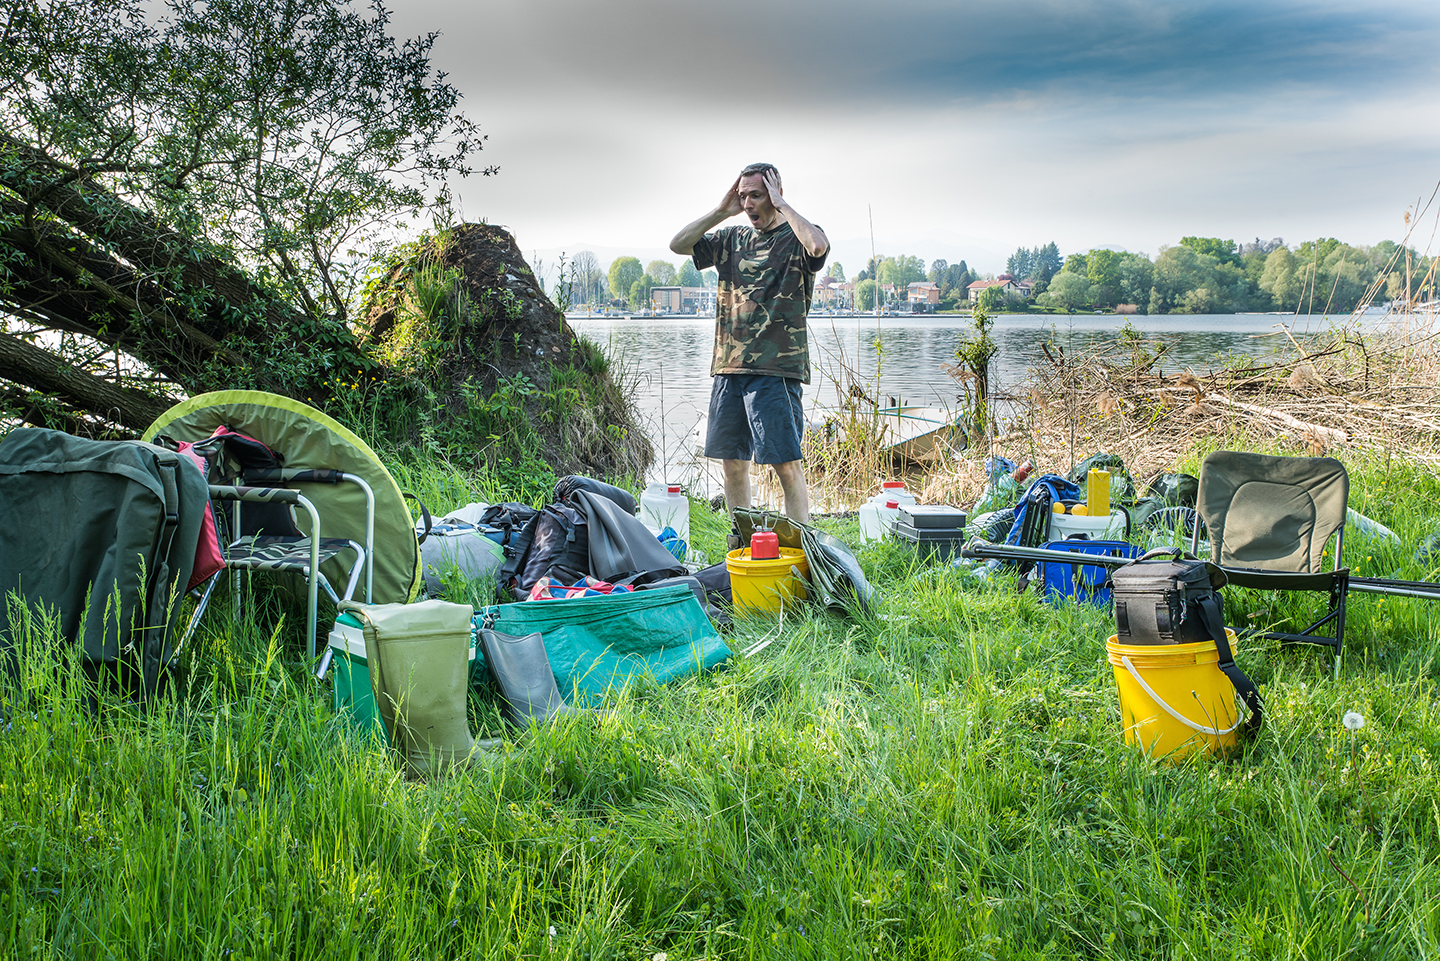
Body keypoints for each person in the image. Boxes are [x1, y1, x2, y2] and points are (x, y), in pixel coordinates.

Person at [669, 162, 828, 523]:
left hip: (776, 370)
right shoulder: (731, 239)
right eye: (744, 197)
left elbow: (818, 246)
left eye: (756, 195)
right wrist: (722, 211)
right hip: (729, 369)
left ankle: (804, 549)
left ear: (776, 194)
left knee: (785, 464)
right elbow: (678, 244)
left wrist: (783, 206)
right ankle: (743, 543)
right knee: (732, 465)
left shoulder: (798, 237)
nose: (749, 204)